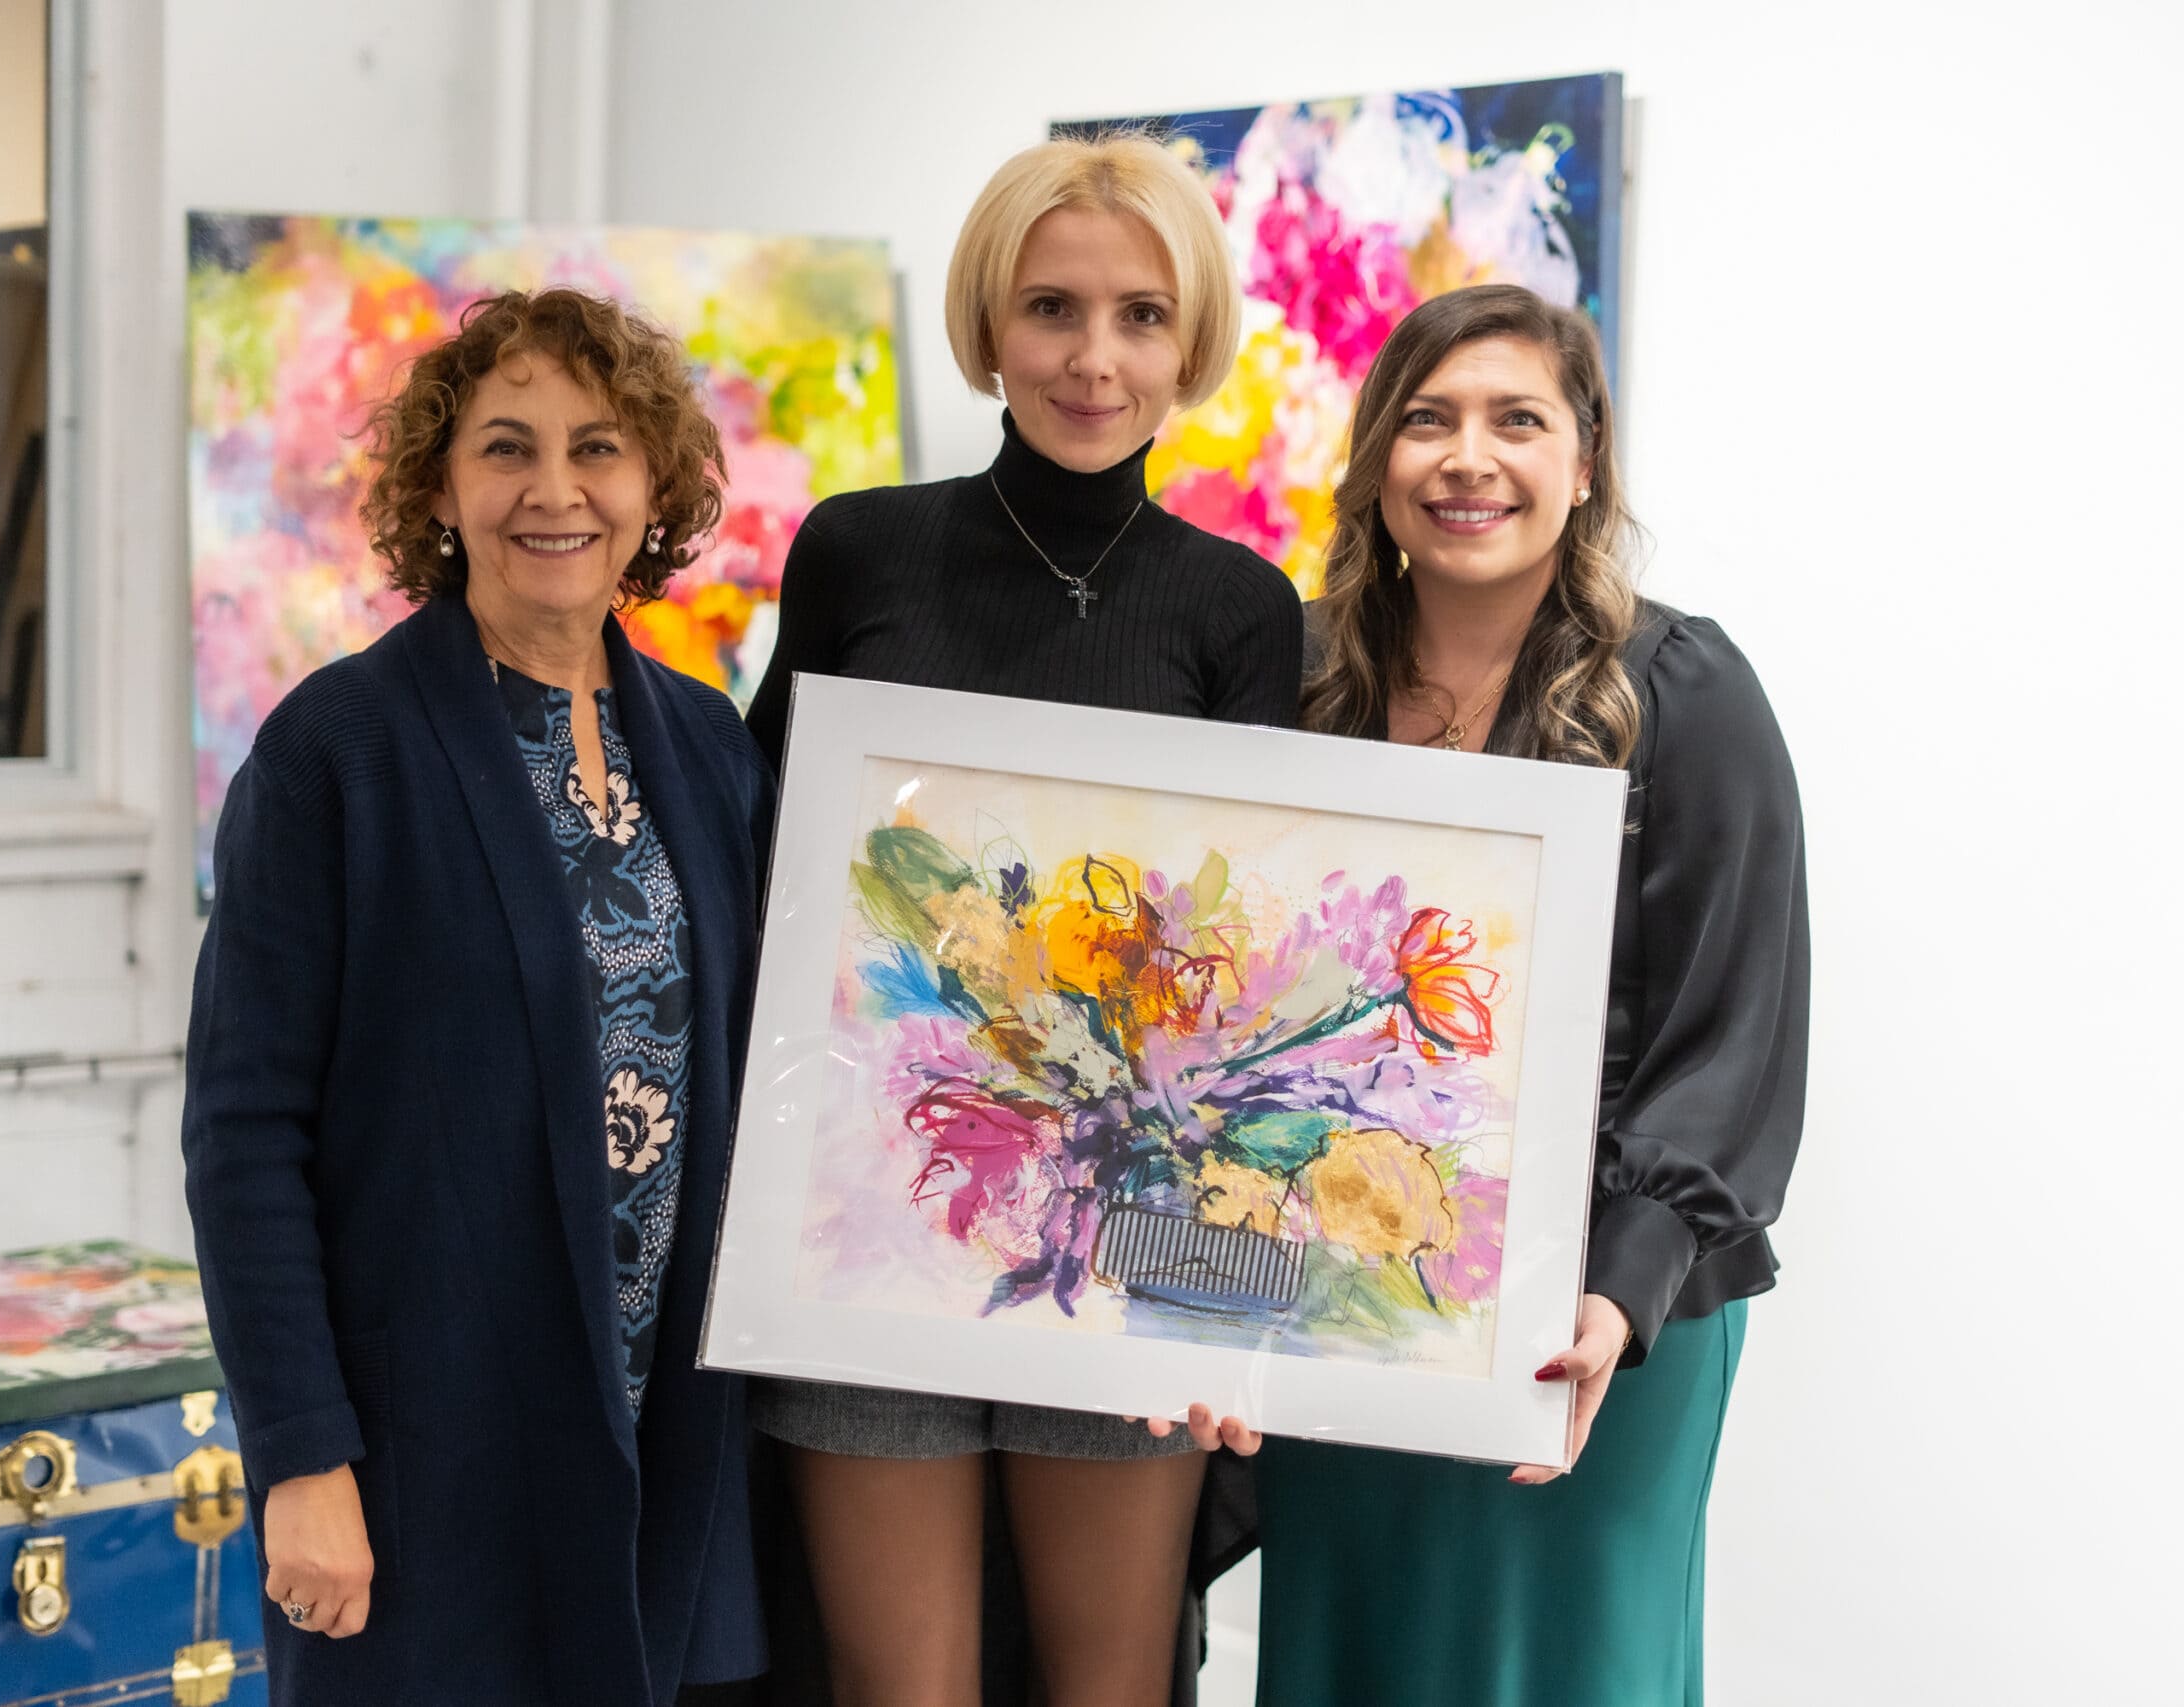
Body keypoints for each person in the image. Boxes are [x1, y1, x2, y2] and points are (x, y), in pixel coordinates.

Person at [744, 133, 1302, 1707]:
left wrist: (1240, 1303)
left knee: (1110, 1686)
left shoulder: (1241, 608)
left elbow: (1246, 993)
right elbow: (766, 850)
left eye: (1140, 316)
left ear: (1189, 342)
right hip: (866, 1209)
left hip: (1136, 1221)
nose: (1093, 358)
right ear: (990, 323)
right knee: (892, 1690)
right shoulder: (859, 549)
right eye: (1052, 307)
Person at [183, 288, 774, 1707]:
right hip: (425, 1453)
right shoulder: (337, 750)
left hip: (671, 1445)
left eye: (597, 448)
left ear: (655, 487)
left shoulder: (709, 747)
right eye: (507, 447)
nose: (554, 490)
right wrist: (302, 1460)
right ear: (442, 489)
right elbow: (243, 1136)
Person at [1252, 283, 1809, 1704]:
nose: (1469, 459)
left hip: (1600, 1307)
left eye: (1517, 421)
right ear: (1377, 457)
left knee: (1566, 1672)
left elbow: (1732, 1029)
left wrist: (1618, 1287)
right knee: (1355, 1658)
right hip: (1343, 1286)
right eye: (1427, 420)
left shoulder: (1683, 689)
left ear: (1584, 459)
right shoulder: (1294, 679)